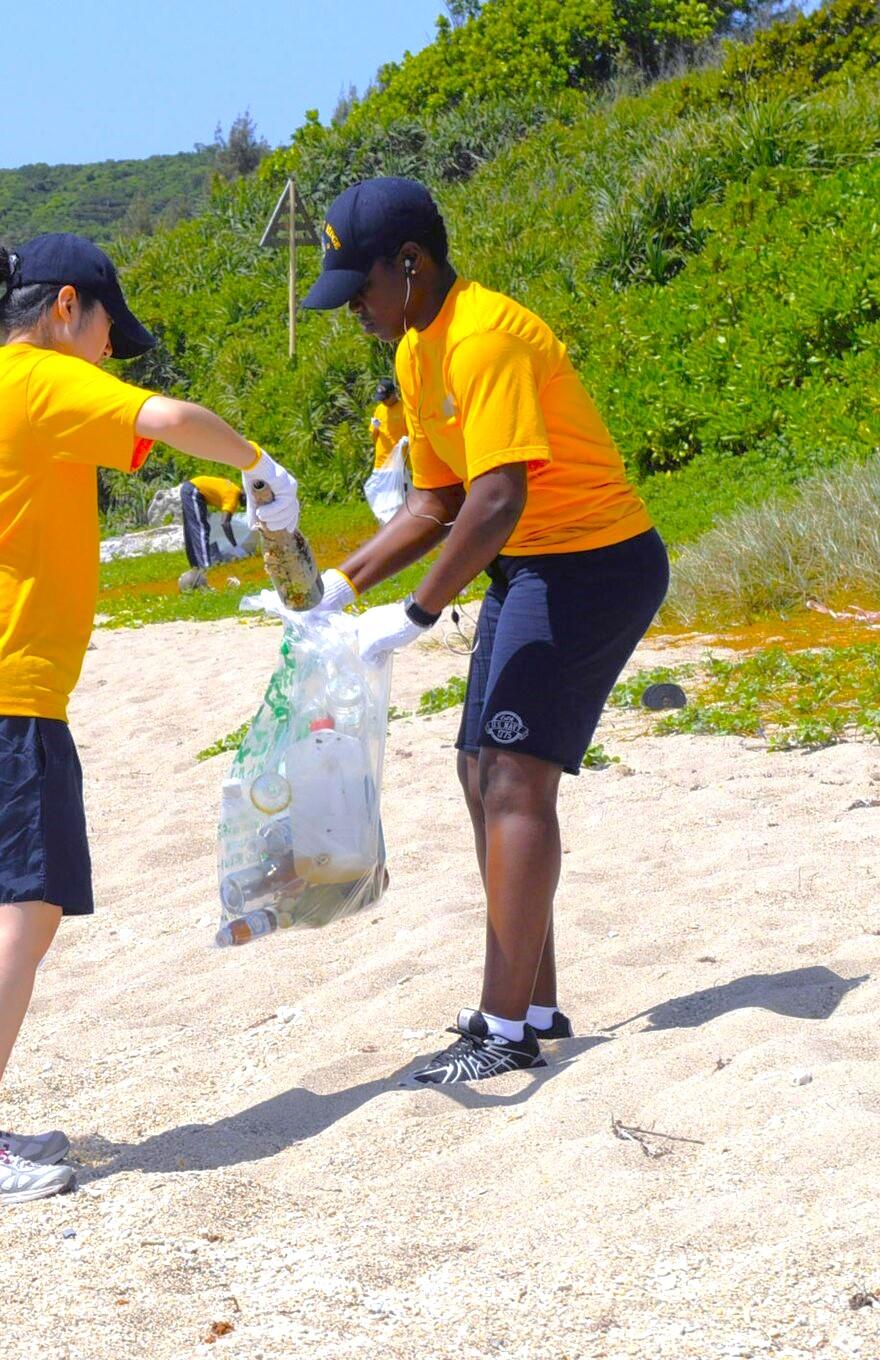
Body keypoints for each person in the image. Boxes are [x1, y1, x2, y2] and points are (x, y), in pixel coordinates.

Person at [0, 230, 301, 1210]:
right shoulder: (39, 380)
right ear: (66, 307)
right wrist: (257, 461)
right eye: (110, 328)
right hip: (6, 703)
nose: (111, 353)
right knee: (22, 918)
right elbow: (173, 415)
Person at [296, 177, 667, 1083]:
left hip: (593, 562)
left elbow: (501, 495)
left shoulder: (486, 335)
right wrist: (338, 587)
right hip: (532, 564)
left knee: (512, 779)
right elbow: (438, 499)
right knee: (481, 771)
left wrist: (417, 613)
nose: (355, 314)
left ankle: (502, 1033)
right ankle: (533, 1004)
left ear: (411, 266)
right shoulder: (421, 349)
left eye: (362, 291)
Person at [177, 474, 250, 589]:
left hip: (191, 488)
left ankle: (195, 568)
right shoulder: (233, 497)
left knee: (192, 528)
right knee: (200, 529)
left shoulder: (234, 489)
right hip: (194, 490)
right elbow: (225, 523)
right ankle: (205, 568)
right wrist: (235, 545)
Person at [364, 376, 412, 524]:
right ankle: (386, 525)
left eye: (386, 398)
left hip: (399, 464)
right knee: (375, 493)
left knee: (399, 499)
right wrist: (375, 428)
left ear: (394, 394)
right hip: (381, 463)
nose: (383, 402)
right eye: (381, 399)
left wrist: (407, 440)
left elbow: (414, 433)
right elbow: (373, 437)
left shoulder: (404, 409)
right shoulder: (379, 410)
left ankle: (402, 525)